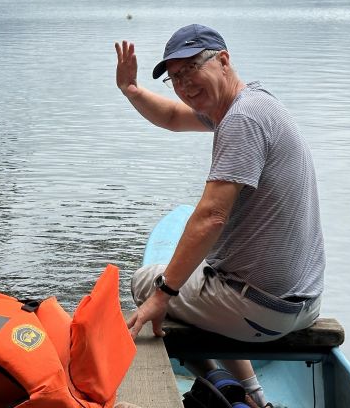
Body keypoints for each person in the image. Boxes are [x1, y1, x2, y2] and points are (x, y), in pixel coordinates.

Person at [115, 24, 325, 408]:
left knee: (147, 282)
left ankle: (224, 386)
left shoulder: (242, 121)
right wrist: (131, 90)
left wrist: (163, 294)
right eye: (175, 77)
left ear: (223, 60)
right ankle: (256, 397)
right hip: (304, 304)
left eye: (191, 69)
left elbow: (211, 216)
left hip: (264, 309)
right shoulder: (252, 104)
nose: (184, 84)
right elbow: (174, 117)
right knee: (207, 277)